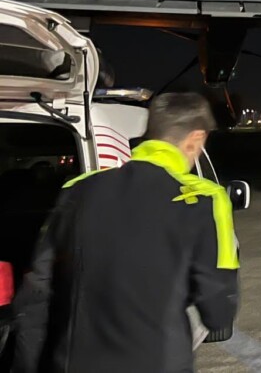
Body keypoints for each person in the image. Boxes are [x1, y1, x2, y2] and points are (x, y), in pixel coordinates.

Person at [13, 92, 239, 373]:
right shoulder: (206, 199)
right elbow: (218, 311)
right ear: (196, 139)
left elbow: (36, 295)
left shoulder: (78, 190)